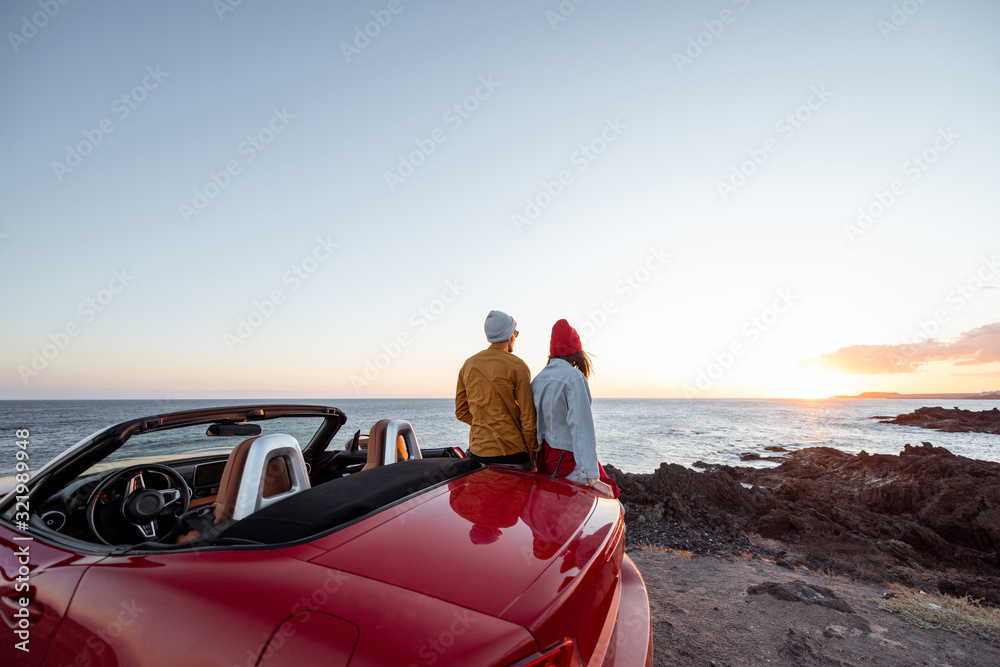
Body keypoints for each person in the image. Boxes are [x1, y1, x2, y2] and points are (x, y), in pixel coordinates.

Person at [531, 319, 617, 497]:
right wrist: (593, 477)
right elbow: (581, 427)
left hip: (544, 461)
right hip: (567, 462)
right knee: (608, 509)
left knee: (553, 514)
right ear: (575, 351)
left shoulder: (538, 379)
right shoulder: (574, 378)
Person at [455, 310, 538, 469]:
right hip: (512, 453)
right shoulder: (517, 366)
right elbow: (528, 418)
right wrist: (532, 451)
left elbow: (461, 411)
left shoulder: (468, 365)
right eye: (515, 333)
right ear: (509, 336)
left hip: (477, 454)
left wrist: (486, 425)